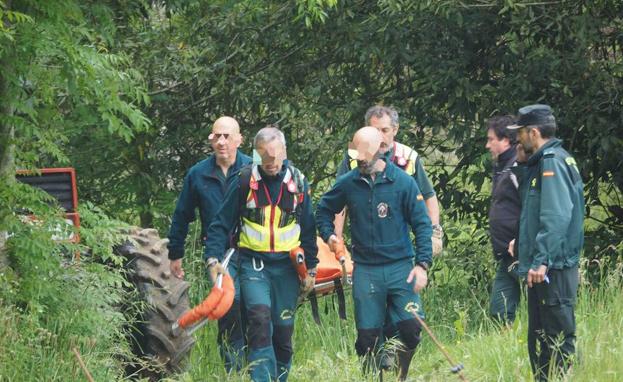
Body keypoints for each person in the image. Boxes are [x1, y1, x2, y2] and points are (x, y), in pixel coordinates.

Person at [316, 126, 433, 381]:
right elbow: (323, 210)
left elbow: (422, 225)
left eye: (365, 160)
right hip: (366, 268)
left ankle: (401, 375)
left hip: (401, 266)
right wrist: (330, 235)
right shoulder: (348, 182)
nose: (360, 164)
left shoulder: (403, 183)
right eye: (356, 160)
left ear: (383, 149)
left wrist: (422, 264)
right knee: (368, 337)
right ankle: (373, 376)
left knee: (411, 327)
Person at [204, 126, 318, 382]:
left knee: (283, 332)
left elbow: (309, 229)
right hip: (254, 265)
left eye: (276, 158)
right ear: (256, 155)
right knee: (259, 323)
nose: (272, 164)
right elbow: (220, 224)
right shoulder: (245, 180)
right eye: (265, 158)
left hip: (287, 269)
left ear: (285, 152)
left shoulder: (298, 182)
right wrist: (212, 259)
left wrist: (311, 269)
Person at [166, 116, 251, 371]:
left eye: (227, 136)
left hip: (253, 250)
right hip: (218, 254)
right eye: (217, 136)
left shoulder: (253, 168)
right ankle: (234, 370)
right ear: (211, 140)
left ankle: (257, 368)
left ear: (239, 140)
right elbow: (182, 215)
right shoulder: (198, 174)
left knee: (254, 308)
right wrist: (175, 254)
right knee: (228, 308)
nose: (221, 141)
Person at [507, 104, 584, 381]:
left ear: (534, 132)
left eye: (521, 134)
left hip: (553, 267)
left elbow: (556, 215)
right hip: (547, 264)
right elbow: (536, 211)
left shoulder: (551, 162)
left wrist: (541, 259)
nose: (518, 140)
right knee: (540, 337)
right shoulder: (542, 162)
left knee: (557, 337)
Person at [334, 105, 442, 255]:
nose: (380, 137)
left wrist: (434, 232)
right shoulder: (354, 156)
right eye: (375, 131)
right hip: (363, 244)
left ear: (395, 130)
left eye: (384, 130)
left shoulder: (409, 157)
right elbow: (338, 202)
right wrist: (336, 240)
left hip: (400, 243)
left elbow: (428, 196)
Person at [485, 115, 522, 324]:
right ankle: (507, 347)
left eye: (491, 139)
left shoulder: (518, 165)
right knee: (499, 313)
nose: (487, 145)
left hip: (521, 251)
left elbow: (532, 207)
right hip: (505, 255)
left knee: (547, 307)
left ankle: (563, 352)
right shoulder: (502, 166)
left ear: (506, 140)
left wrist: (520, 239)